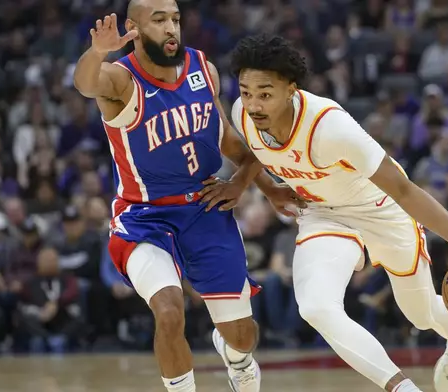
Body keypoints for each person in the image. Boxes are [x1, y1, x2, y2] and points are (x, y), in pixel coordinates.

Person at [216, 34, 448, 392]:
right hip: (323, 212)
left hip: (381, 209)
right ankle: (402, 388)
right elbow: (255, 154)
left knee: (419, 315)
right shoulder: (243, 116)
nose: (253, 104)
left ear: (291, 89)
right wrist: (265, 188)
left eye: (265, 93)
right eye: (246, 92)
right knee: (316, 307)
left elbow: (404, 190)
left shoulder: (330, 128)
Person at [72, 2, 304, 391]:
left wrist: (257, 187)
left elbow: (230, 142)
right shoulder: (120, 80)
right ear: (133, 27)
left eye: (175, 20)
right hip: (144, 218)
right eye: (159, 20)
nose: (171, 30)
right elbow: (85, 83)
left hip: (204, 209)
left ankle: (235, 356)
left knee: (243, 336)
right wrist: (98, 52)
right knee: (168, 311)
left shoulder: (203, 70)